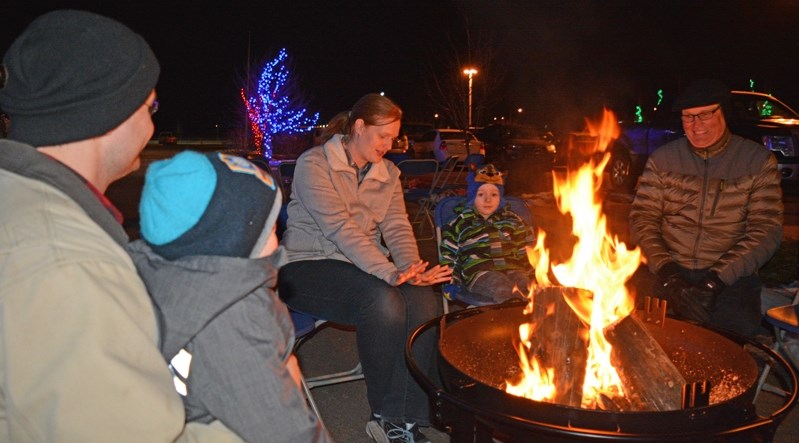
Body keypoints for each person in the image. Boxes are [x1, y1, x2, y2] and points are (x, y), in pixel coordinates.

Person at [0, 10, 242, 441]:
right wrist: (256, 419)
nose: (153, 123)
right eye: (151, 105)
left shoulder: (21, 202)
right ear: (109, 113)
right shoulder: (68, 265)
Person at [278, 93, 452, 443]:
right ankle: (383, 413)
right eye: (383, 136)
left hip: (361, 267)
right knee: (383, 301)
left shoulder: (388, 173)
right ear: (359, 127)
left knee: (422, 299)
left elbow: (398, 227)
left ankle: (404, 418)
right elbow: (339, 228)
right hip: (306, 266)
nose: (390, 145)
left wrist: (410, 270)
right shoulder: (315, 164)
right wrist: (389, 273)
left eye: (394, 138)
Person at [126, 150, 332, 443]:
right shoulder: (233, 317)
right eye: (272, 229)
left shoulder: (161, 275)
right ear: (236, 240)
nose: (280, 238)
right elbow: (283, 430)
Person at [629, 79, 784, 338]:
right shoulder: (663, 159)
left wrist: (714, 282)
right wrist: (669, 276)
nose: (696, 125)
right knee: (640, 330)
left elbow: (766, 231)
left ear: (723, 112)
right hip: (668, 269)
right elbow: (642, 219)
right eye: (688, 117)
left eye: (705, 114)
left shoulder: (755, 161)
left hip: (729, 277)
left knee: (729, 336)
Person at [439, 164, 535, 303]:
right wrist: (450, 282)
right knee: (501, 286)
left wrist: (533, 273)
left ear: (500, 198)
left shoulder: (513, 220)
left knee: (528, 286)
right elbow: (449, 254)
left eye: (494, 194)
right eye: (481, 194)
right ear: (473, 197)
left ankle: (531, 321)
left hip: (514, 269)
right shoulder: (461, 223)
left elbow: (525, 249)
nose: (488, 199)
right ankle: (507, 319)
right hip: (480, 273)